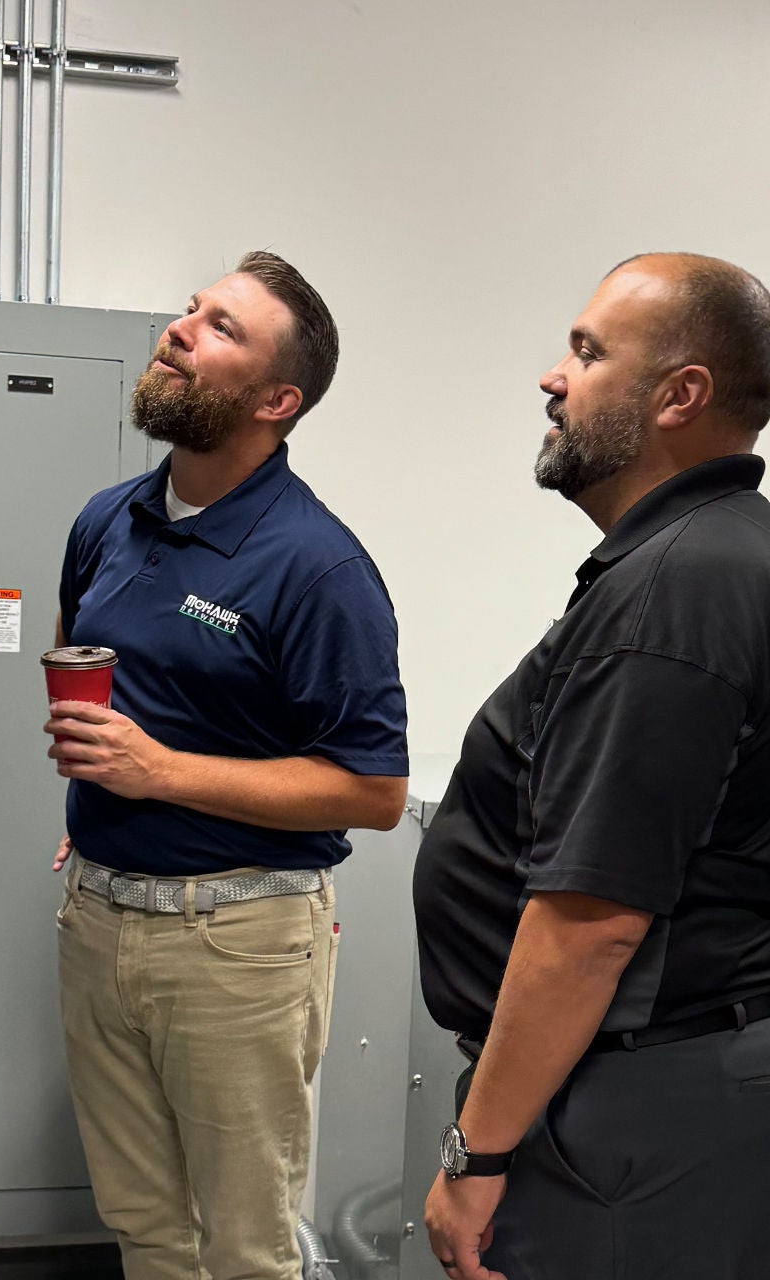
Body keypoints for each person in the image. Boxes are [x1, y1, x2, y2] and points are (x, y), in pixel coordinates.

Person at [43, 250, 409, 1280]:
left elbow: (372, 791)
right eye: (189, 310)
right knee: (143, 1225)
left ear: (274, 398)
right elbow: (90, 654)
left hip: (237, 941)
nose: (177, 329)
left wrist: (159, 772)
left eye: (218, 329)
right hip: (98, 917)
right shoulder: (106, 518)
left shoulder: (317, 567)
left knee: (244, 1246)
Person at [414, 252, 770, 1280]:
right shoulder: (721, 552)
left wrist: (473, 1149)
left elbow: (589, 925)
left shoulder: (674, 594)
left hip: (630, 1102)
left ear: (679, 395)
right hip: (671, 1075)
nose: (550, 376)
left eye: (584, 350)